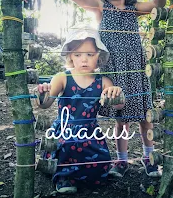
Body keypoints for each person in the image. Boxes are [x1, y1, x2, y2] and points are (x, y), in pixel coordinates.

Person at [41, 0, 166, 178]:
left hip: (136, 70)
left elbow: (160, 3)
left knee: (146, 118)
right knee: (122, 121)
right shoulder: (102, 7)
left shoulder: (134, 8)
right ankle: (122, 161)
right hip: (115, 73)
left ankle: (149, 157)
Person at [36, 24, 124, 194]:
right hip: (64, 130)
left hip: (90, 131)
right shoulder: (62, 78)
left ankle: (90, 175)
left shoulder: (104, 81)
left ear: (98, 56)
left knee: (100, 161)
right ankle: (64, 177)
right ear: (70, 56)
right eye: (78, 54)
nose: (84, 59)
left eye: (90, 54)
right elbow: (45, 105)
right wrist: (42, 94)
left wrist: (117, 93)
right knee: (68, 146)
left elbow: (119, 106)